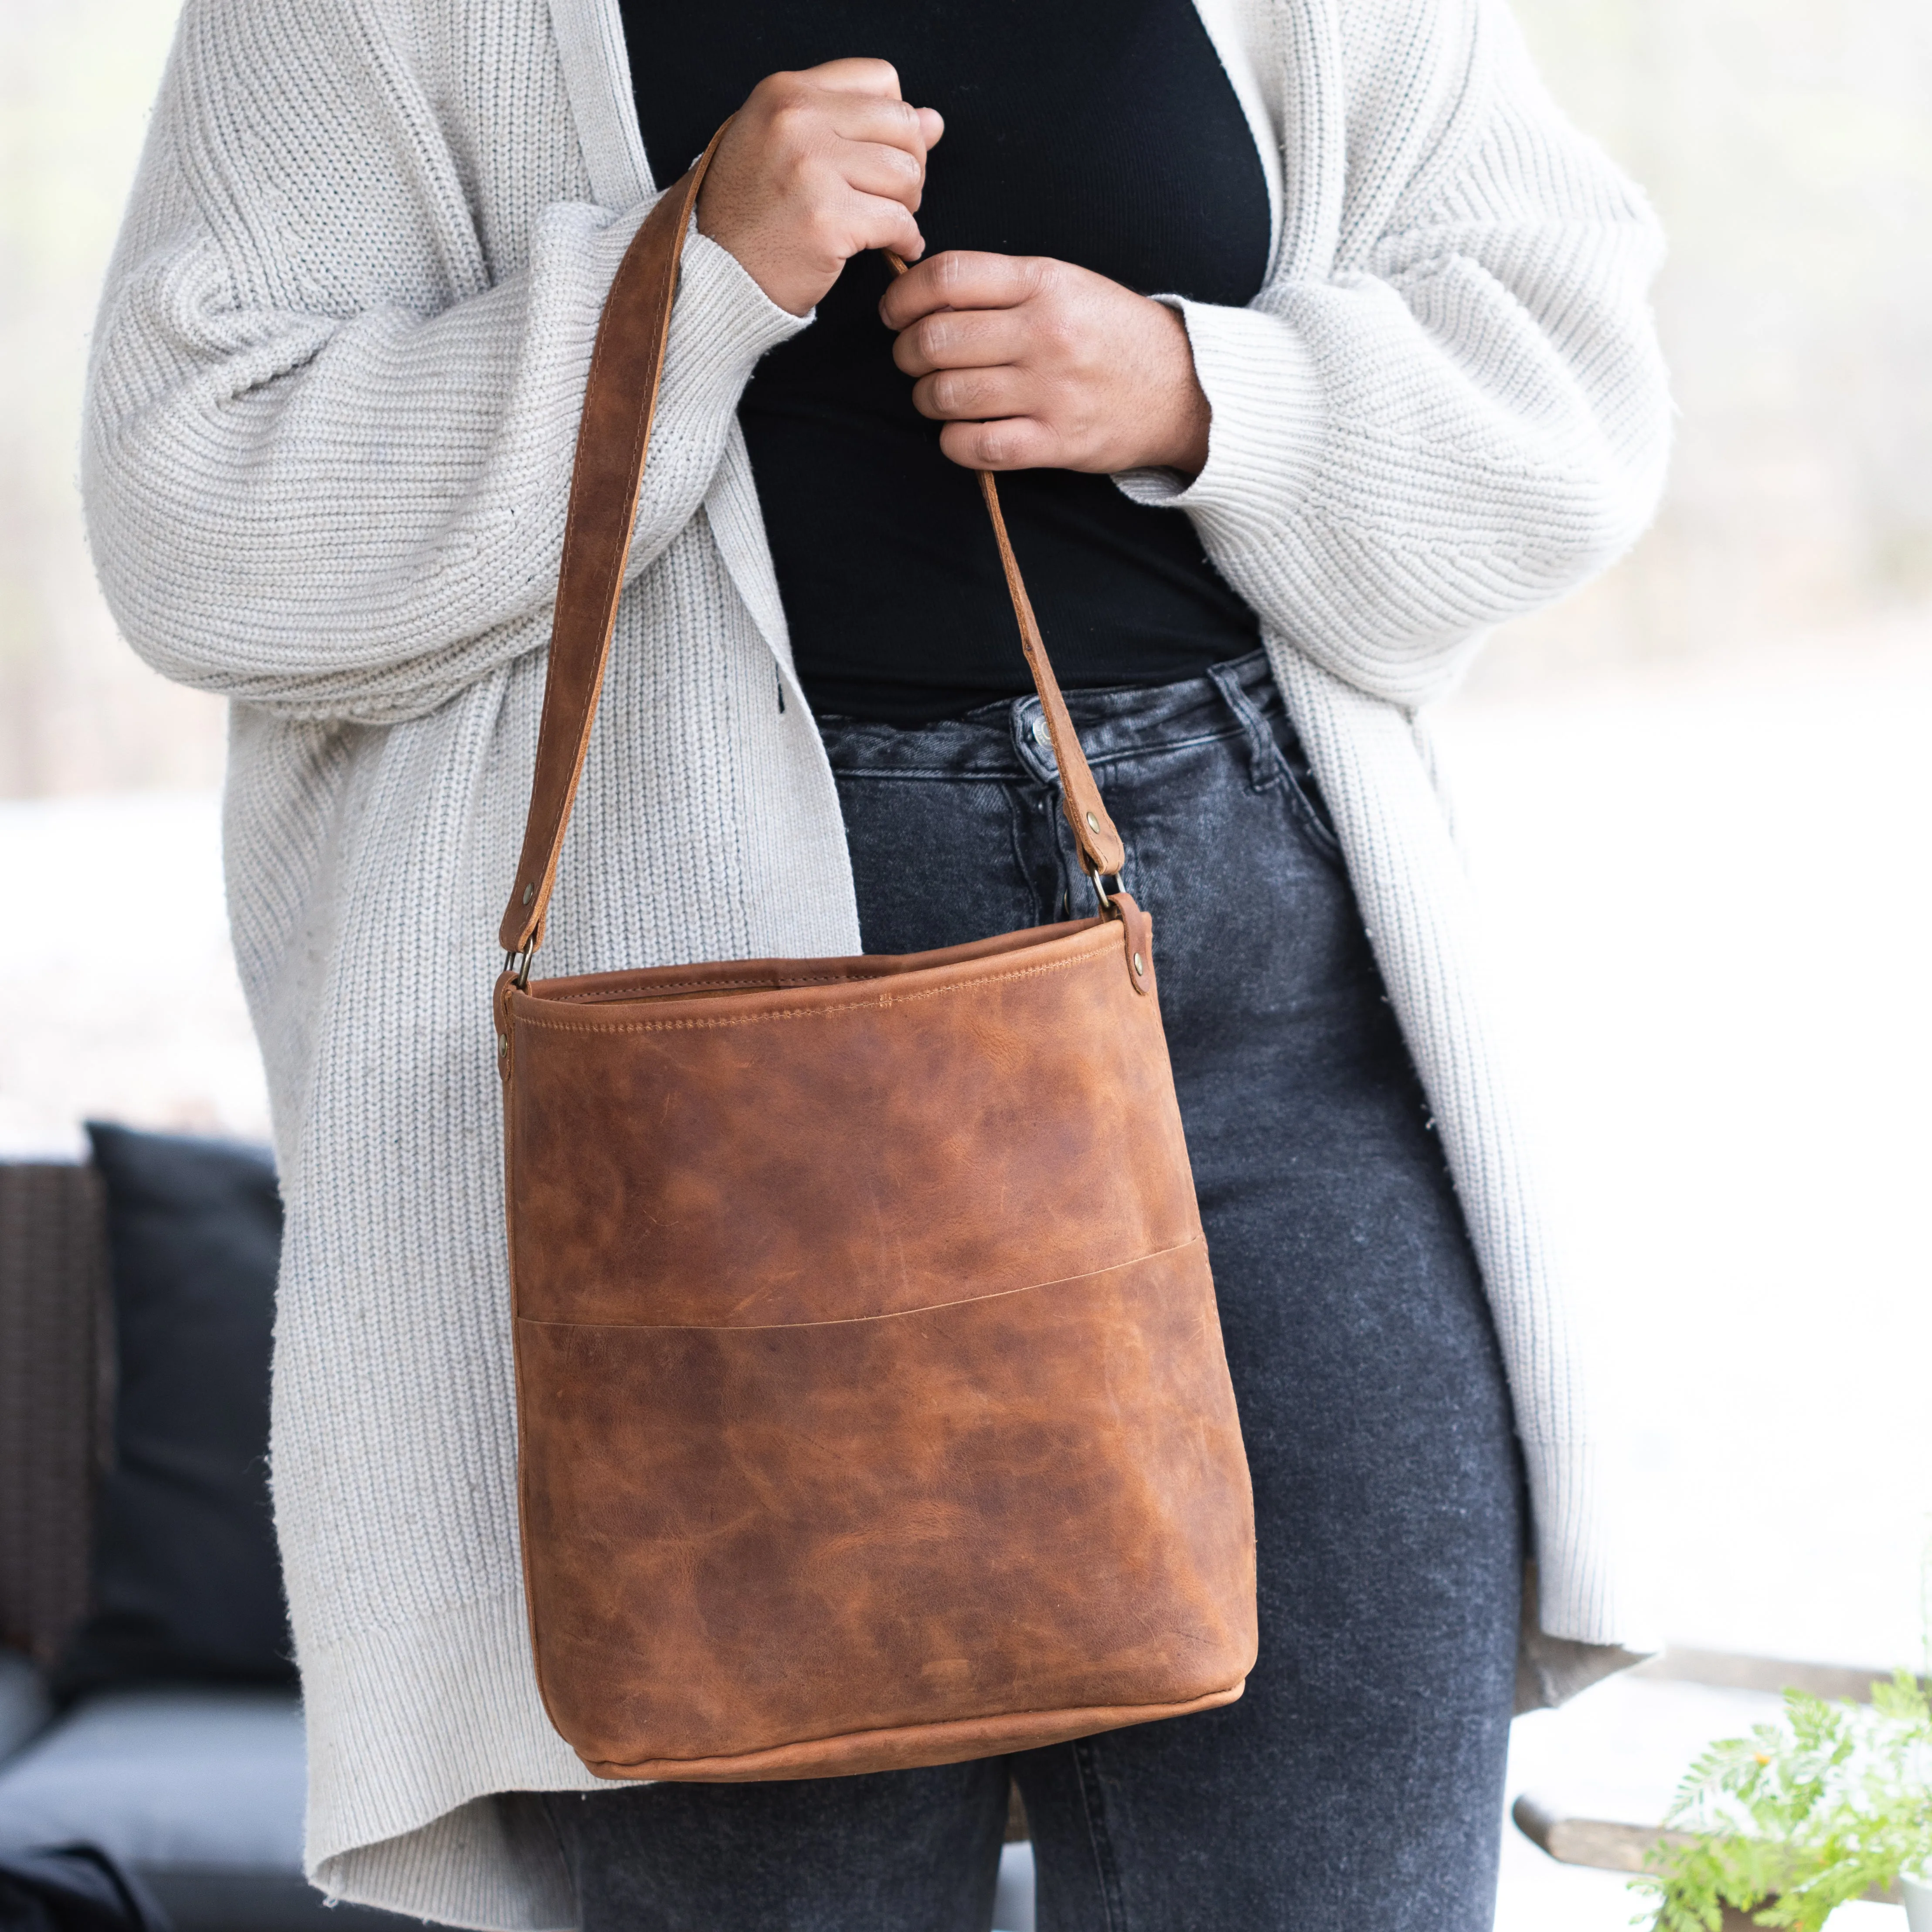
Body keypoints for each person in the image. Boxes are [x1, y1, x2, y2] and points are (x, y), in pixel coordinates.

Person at [82, 0, 1670, 1926]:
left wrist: (1203, 388)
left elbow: (1573, 380)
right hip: (705, 1087)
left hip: (1270, 1015)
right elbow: (194, 510)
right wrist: (680, 293)